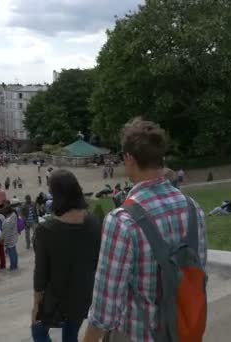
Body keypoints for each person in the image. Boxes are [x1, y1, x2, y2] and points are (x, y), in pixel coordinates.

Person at [84, 118, 207, 342]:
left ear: (129, 158)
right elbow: (198, 271)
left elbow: (105, 310)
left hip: (141, 334)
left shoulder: (121, 221)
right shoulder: (193, 209)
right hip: (184, 329)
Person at [31, 170, 102, 342]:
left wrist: (36, 306)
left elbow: (40, 274)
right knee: (71, 335)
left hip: (55, 298)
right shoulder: (93, 222)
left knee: (38, 332)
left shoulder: (46, 230)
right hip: (84, 294)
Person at [2, 202, 19, 270]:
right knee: (14, 251)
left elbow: (7, 233)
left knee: (11, 253)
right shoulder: (14, 215)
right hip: (14, 236)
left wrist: (5, 242)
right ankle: (15, 264)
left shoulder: (7, 221)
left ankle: (13, 265)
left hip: (10, 239)